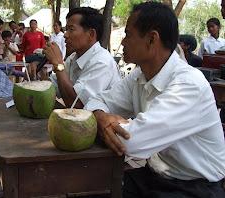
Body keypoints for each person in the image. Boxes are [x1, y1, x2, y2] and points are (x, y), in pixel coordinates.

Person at [85, 2, 225, 198]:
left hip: (195, 188)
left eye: (128, 35)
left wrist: (107, 122)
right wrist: (100, 117)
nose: (123, 42)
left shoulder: (188, 84)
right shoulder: (139, 76)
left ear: (152, 39)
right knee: (87, 188)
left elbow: (132, 143)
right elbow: (96, 100)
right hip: (153, 176)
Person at [26, 7, 121, 108]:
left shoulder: (101, 61)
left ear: (91, 34)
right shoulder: (73, 58)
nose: (65, 35)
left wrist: (58, 64)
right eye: (66, 30)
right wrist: (40, 74)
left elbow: (76, 103)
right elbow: (58, 87)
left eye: (71, 29)